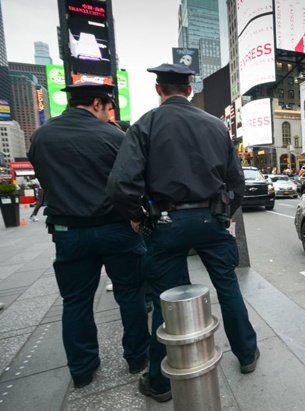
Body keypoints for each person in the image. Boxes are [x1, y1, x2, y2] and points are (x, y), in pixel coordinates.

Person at [106, 64, 259, 403]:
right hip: (210, 222)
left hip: (166, 222)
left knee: (168, 299)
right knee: (228, 286)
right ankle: (247, 354)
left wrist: (139, 215)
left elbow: (119, 184)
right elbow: (236, 182)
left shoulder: (146, 124)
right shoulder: (216, 125)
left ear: (159, 89)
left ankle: (160, 383)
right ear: (189, 90)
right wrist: (221, 214)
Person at [27, 83, 150, 389]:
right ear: (97, 103)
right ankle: (137, 357)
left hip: (68, 230)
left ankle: (82, 369)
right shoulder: (113, 136)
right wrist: (136, 215)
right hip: (115, 228)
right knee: (130, 293)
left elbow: (45, 179)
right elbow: (131, 182)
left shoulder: (41, 136)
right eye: (108, 107)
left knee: (76, 301)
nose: (108, 113)